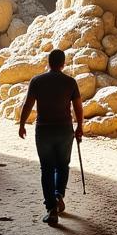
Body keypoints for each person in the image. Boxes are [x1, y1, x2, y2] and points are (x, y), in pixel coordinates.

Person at [18, 48, 83, 225]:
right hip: (64, 130)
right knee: (63, 165)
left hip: (44, 130)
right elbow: (78, 107)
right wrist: (79, 127)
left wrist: (22, 124)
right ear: (63, 64)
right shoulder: (70, 82)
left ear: (48, 62)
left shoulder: (37, 81)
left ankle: (51, 209)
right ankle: (58, 195)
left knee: (46, 169)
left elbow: (28, 104)